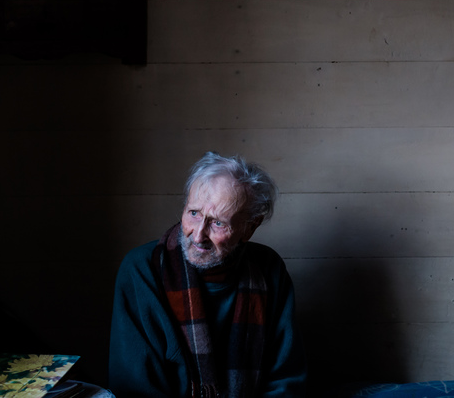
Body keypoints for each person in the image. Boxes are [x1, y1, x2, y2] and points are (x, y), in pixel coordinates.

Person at [109, 152, 307, 398]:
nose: (198, 235)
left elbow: (286, 379)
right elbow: (135, 388)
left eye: (218, 223)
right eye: (193, 213)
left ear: (249, 228)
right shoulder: (141, 269)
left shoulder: (269, 269)